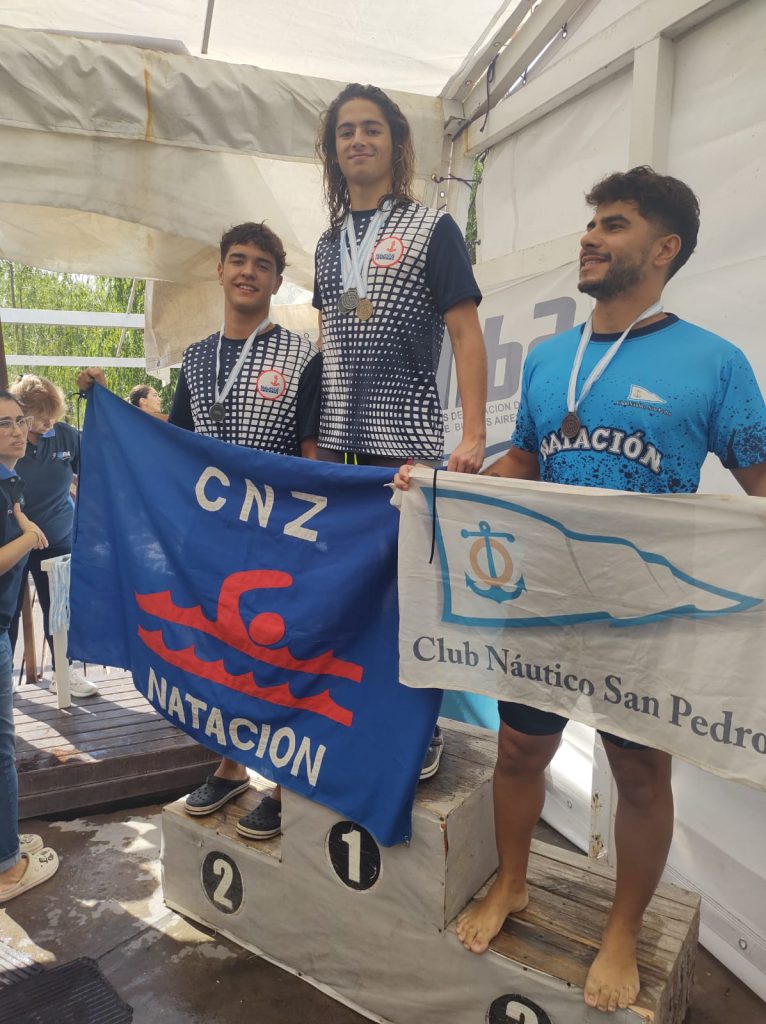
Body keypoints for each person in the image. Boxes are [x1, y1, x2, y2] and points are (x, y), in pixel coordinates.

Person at [396, 167, 766, 1012]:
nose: (590, 237)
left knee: (639, 776)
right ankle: (513, 882)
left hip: (647, 614)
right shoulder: (551, 358)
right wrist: (453, 489)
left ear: (664, 249)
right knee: (520, 752)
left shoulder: (715, 363)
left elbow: (760, 485)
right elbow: (530, 457)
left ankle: (623, 930)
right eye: (591, 223)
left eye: (614, 224)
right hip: (545, 602)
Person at [78, 221, 321, 842]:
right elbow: (175, 446)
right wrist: (109, 406)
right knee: (220, 656)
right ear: (219, 270)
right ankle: (230, 765)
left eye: (261, 264)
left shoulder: (302, 356)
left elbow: (312, 457)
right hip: (209, 539)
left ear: (277, 280)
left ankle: (284, 784)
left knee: (278, 653)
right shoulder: (196, 356)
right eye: (237, 260)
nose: (247, 272)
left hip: (274, 536)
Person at [314, 82, 487, 777]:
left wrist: (473, 434)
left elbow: (466, 334)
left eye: (371, 129)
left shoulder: (431, 227)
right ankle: (358, 715)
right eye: (346, 131)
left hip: (407, 446)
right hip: (340, 453)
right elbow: (330, 342)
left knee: (412, 593)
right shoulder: (327, 245)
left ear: (395, 143)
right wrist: (318, 445)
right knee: (351, 591)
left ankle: (423, 726)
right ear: (332, 151)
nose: (358, 140)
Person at [0, 390, 60, 901]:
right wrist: (30, 536)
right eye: (4, 424)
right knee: (2, 751)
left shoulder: (9, 480)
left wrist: (20, 519)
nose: (17, 431)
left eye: (20, 421)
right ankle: (8, 868)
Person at [8, 375, 98, 698]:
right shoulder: (9, 439)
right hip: (13, 539)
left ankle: (63, 670)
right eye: (42, 416)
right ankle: (4, 678)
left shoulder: (65, 435)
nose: (50, 422)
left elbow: (97, 465)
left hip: (57, 537)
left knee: (59, 608)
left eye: (53, 415)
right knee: (8, 612)